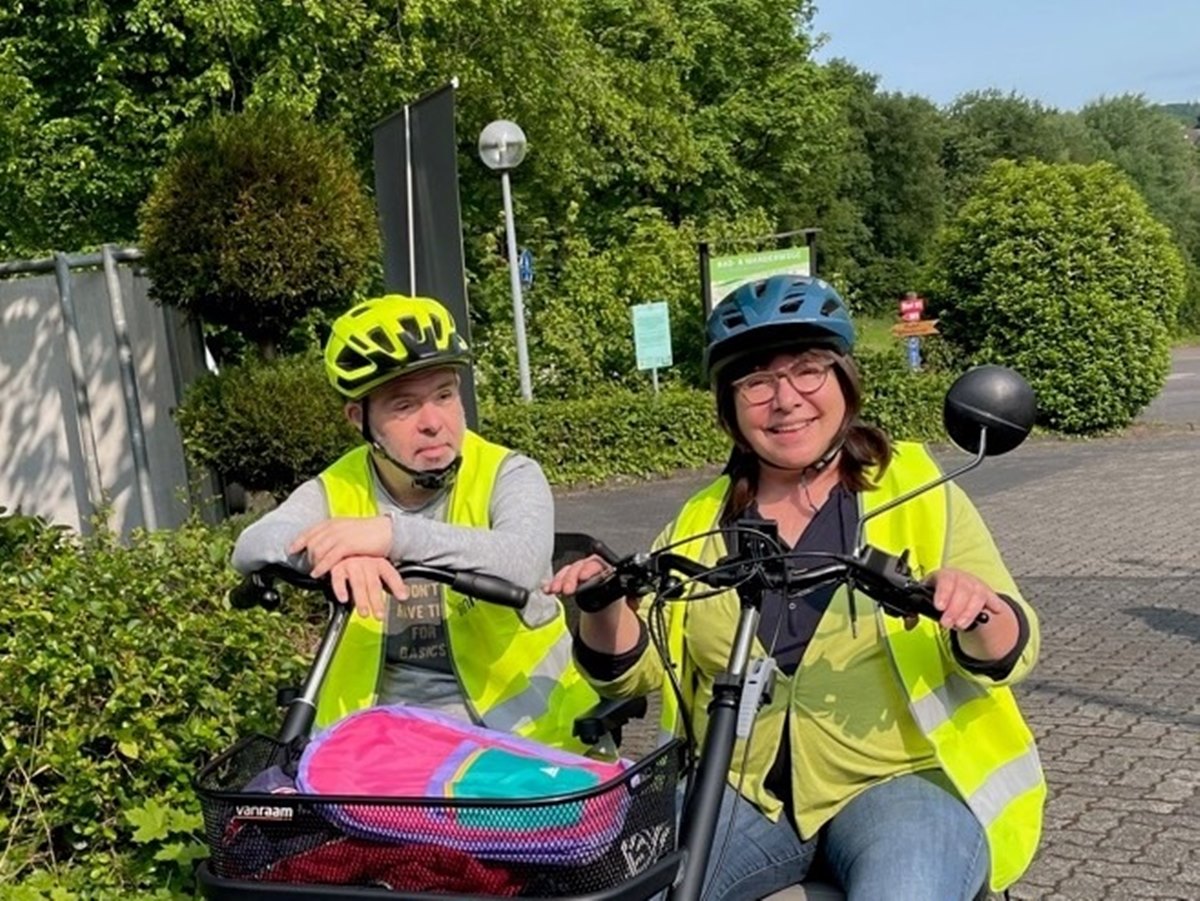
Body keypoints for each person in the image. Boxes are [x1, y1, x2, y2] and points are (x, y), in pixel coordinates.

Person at [547, 275, 1045, 900]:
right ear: (730, 406)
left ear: (844, 380)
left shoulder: (916, 488)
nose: (786, 400)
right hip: (743, 792)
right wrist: (602, 602)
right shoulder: (698, 524)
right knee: (628, 887)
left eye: (808, 370)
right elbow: (636, 675)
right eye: (756, 381)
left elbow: (1012, 649)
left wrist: (976, 608)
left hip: (899, 781)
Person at [233, 293, 599, 750]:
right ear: (359, 419)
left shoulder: (510, 472)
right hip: (381, 755)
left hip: (523, 745)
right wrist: (331, 556)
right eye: (404, 406)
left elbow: (523, 562)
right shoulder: (339, 486)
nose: (433, 422)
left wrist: (389, 535)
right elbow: (252, 543)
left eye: (444, 395)